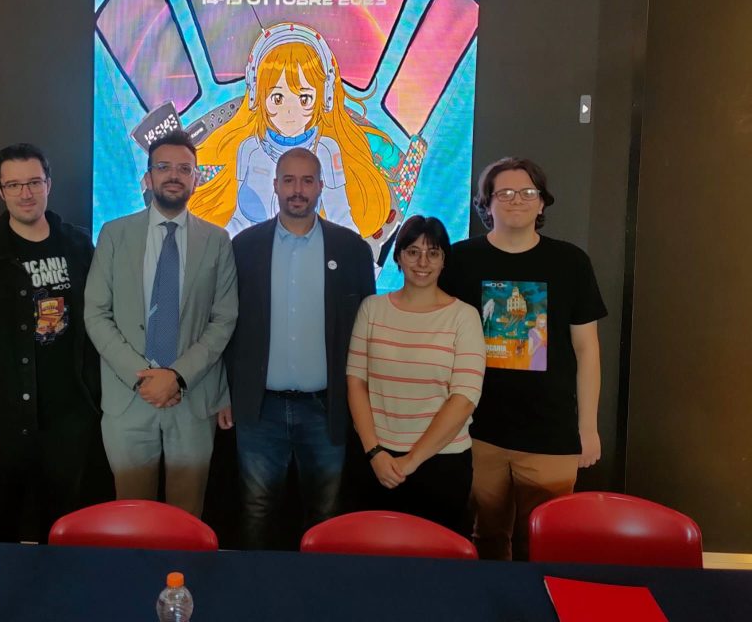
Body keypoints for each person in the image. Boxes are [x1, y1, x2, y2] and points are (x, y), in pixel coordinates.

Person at [441, 157, 606, 559]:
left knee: (546, 541)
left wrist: (588, 429)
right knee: (486, 538)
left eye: (528, 192)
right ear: (486, 203)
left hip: (551, 435)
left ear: (542, 202)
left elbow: (587, 350)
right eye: (505, 193)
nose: (517, 200)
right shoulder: (460, 260)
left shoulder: (571, 263)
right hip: (477, 432)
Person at [0, 143, 102, 542]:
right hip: (4, 422)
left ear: (48, 184)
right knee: (2, 530)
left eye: (34, 182)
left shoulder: (78, 245)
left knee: (68, 530)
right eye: (14, 185)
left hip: (71, 418)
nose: (26, 193)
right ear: (0, 191)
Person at [226, 147, 376, 549]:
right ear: (275, 185)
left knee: (326, 516)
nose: (298, 189)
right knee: (255, 512)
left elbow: (366, 331)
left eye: (307, 180)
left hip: (326, 408)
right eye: (289, 180)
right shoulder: (244, 247)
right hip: (260, 409)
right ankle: (253, 586)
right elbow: (227, 326)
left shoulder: (351, 250)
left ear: (321, 186)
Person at [84, 129, 238, 516]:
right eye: (164, 167)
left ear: (196, 178)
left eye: (184, 169)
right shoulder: (114, 234)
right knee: (132, 515)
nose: (174, 175)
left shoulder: (218, 240)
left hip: (192, 397)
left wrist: (177, 377)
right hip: (128, 398)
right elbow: (96, 313)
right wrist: (142, 378)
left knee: (187, 517)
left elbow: (223, 319)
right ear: (148, 177)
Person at [189, 22, 400, 239]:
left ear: (324, 98)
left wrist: (353, 253)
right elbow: (240, 220)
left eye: (304, 98)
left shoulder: (326, 151)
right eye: (277, 98)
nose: (290, 111)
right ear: (257, 97)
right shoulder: (249, 149)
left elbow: (341, 218)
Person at [346, 216, 484, 533]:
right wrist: (375, 452)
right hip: (375, 461)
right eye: (413, 252)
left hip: (441, 464)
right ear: (398, 256)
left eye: (433, 253)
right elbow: (356, 382)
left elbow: (464, 398)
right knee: (371, 553)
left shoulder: (464, 317)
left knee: (437, 558)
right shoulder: (372, 309)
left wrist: (411, 461)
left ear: (444, 260)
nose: (423, 262)